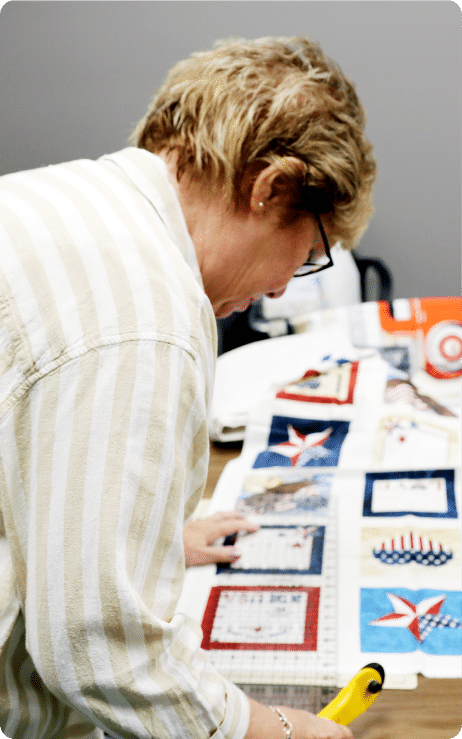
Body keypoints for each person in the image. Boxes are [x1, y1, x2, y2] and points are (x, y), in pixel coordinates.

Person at [0, 36, 376, 739]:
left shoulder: (85, 206)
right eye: (312, 250)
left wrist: (143, 538)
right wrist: (280, 731)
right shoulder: (144, 313)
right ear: (271, 186)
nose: (282, 286)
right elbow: (101, 651)